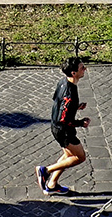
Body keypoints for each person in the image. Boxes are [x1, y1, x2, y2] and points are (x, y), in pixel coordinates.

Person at [37, 57, 90, 195]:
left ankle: (52, 184)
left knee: (68, 155)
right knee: (80, 157)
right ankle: (45, 170)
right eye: (82, 68)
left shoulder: (63, 82)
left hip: (57, 127)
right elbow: (63, 119)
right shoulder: (70, 94)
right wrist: (80, 123)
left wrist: (75, 107)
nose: (85, 69)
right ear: (74, 73)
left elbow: (58, 102)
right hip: (64, 131)